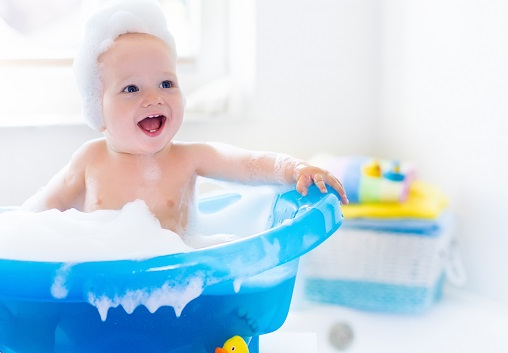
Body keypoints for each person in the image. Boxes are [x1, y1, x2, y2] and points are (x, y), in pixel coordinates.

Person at [22, 0, 348, 240]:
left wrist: (293, 168)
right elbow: (39, 214)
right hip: (102, 288)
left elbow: (248, 165)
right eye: (131, 88)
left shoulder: (189, 158)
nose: (154, 97)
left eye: (166, 83)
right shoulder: (90, 160)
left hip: (178, 285)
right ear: (97, 109)